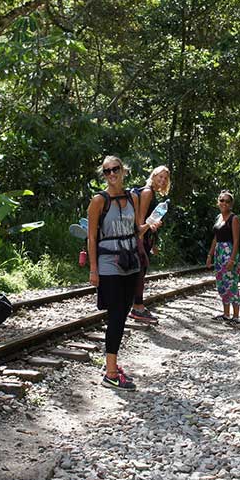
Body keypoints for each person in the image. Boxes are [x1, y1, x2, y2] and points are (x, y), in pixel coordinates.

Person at [87, 156, 141, 391]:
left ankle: (112, 364)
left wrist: (150, 226)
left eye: (115, 169)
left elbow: (136, 229)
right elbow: (91, 237)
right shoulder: (99, 201)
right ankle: (110, 372)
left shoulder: (133, 197)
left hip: (131, 262)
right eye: (107, 171)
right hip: (109, 264)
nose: (111, 174)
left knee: (123, 312)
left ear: (123, 171)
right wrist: (93, 269)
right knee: (117, 315)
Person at [130, 165, 171, 325]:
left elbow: (148, 221)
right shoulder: (147, 192)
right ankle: (137, 308)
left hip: (146, 238)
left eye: (165, 178)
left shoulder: (152, 193)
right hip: (140, 238)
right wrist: (141, 239)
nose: (162, 180)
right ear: (153, 176)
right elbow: (140, 222)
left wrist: (152, 231)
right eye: (159, 176)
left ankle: (136, 306)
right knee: (140, 273)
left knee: (140, 273)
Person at [207, 190, 240, 326]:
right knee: (221, 283)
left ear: (231, 204)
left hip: (229, 253)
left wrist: (232, 259)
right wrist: (210, 255)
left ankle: (236, 317)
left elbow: (236, 240)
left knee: (231, 283)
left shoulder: (234, 219)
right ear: (218, 202)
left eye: (227, 201)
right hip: (219, 253)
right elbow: (216, 237)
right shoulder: (218, 218)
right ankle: (226, 314)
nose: (224, 203)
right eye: (222, 200)